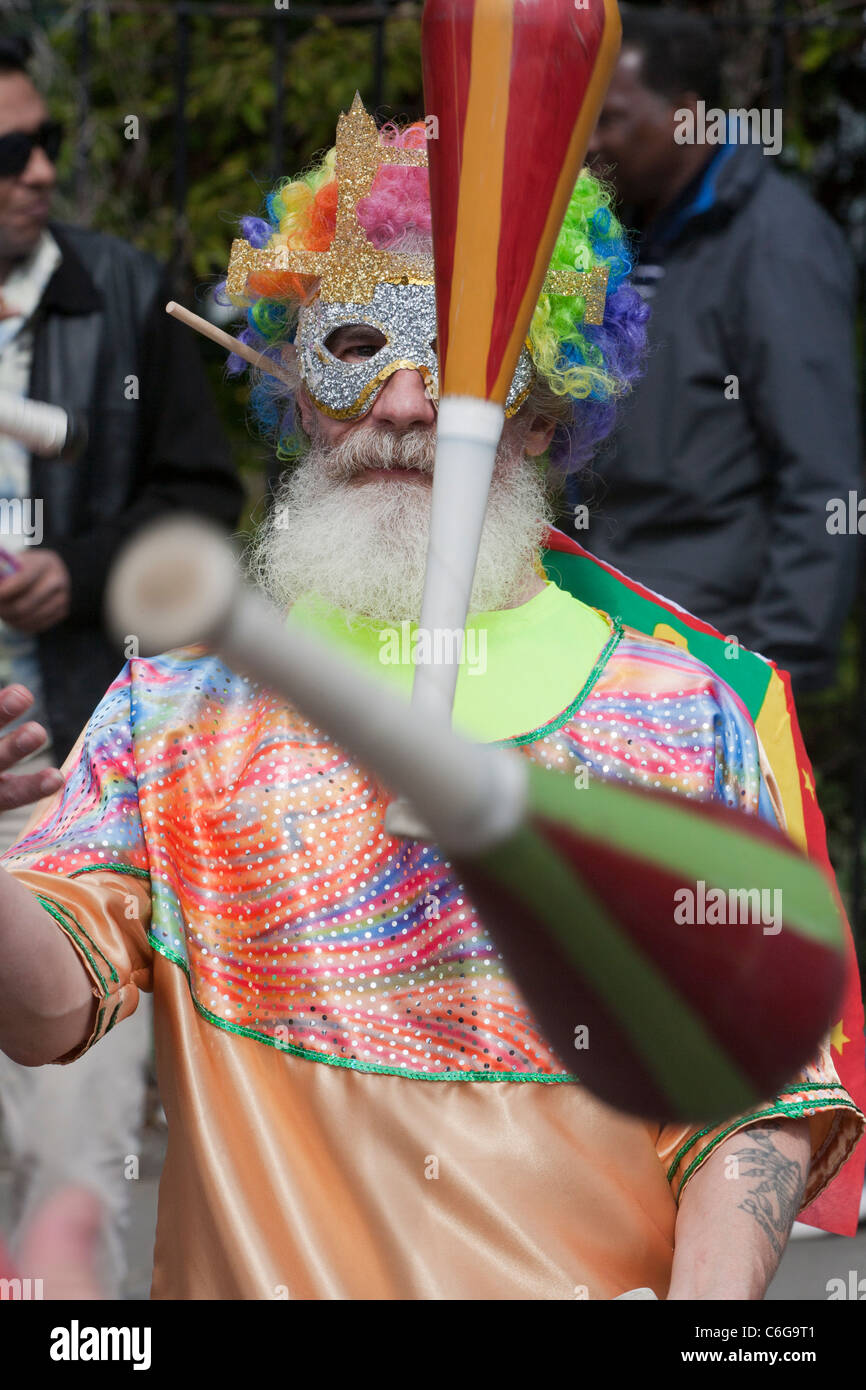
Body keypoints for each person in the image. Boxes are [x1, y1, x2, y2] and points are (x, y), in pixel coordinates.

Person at [0, 102, 861, 1301]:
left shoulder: (675, 714)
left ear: (548, 407)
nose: (407, 408)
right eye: (358, 347)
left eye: (463, 366)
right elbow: (42, 1015)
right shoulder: (177, 709)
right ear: (296, 386)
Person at [0, 34, 244, 1296]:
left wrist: (79, 573)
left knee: (77, 1162)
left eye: (44, 141)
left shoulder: (128, 292)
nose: (42, 170)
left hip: (76, 791)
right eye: (8, 154)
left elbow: (203, 504)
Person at [572, 7, 863, 695]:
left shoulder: (776, 241)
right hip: (611, 625)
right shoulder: (622, 231)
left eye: (610, 118)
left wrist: (773, 676)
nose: (588, 142)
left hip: (711, 652)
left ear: (684, 115)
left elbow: (822, 479)